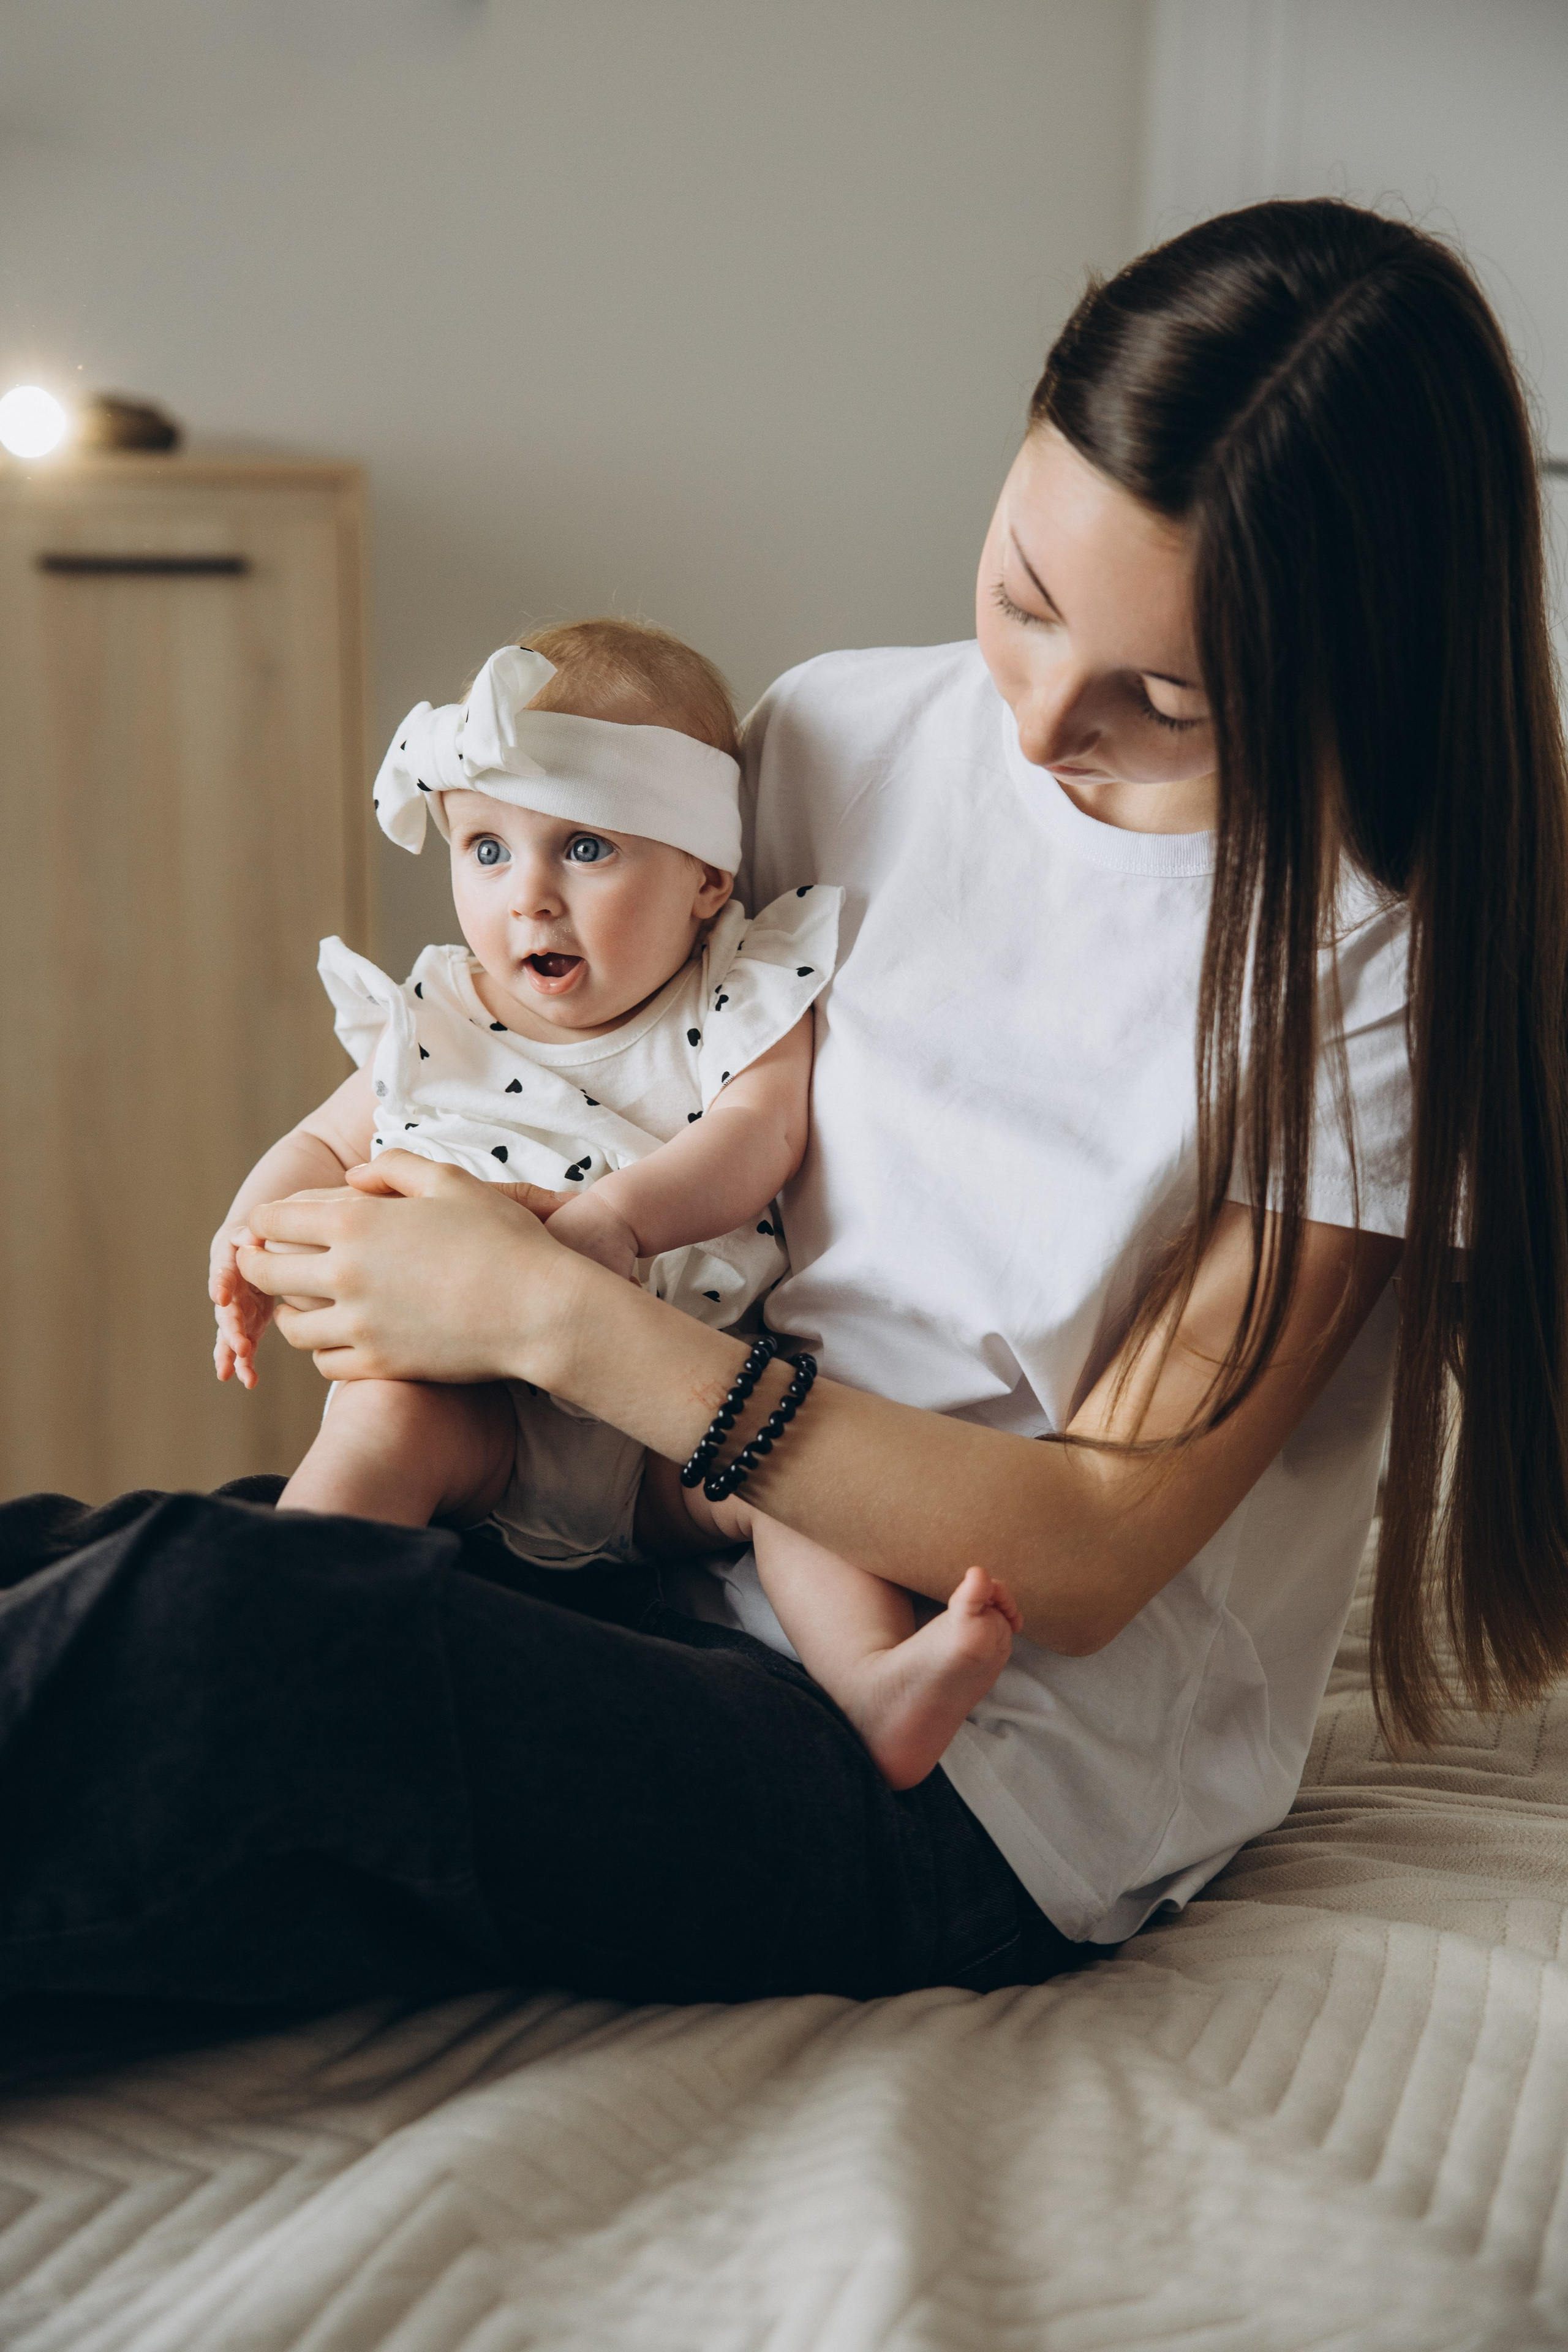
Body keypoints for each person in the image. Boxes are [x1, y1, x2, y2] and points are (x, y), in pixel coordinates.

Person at [3, 197, 1566, 2018]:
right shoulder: (834, 736)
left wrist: (542, 1312)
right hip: (640, 1554)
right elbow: (588, 1049)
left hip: (966, 1773)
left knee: (202, 1630)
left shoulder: (1370, 970)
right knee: (102, 1568)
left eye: (1160, 700)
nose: (1042, 719)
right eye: (1023, 597)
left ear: (1346, 667)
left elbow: (1077, 1556)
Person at [209, 618, 1021, 1790]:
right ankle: (281, 1634)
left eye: (583, 847)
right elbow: (318, 1143)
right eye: (486, 849)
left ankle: (874, 1684)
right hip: (471, 1410)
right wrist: (250, 1235)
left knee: (797, 1464)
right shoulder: (439, 1014)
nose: (527, 898)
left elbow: (762, 1134)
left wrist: (622, 1222)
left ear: (704, 878)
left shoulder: (737, 999)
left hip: (670, 1416)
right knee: (375, 1427)